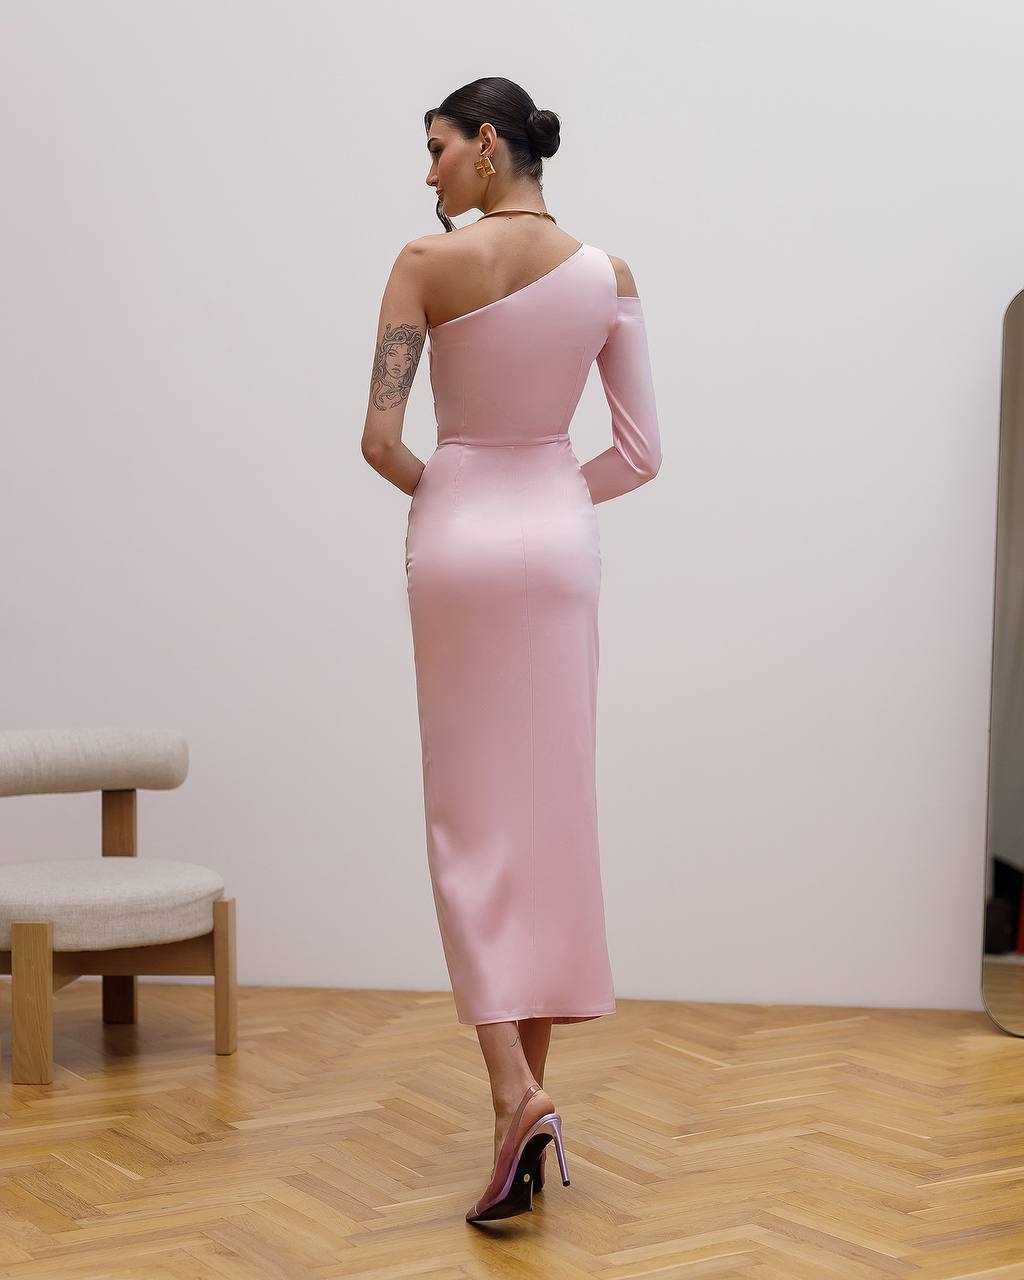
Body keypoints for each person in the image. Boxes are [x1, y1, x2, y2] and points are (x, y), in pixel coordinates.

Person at [361, 76, 662, 1223]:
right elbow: (637, 453)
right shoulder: (609, 277)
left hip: (459, 547)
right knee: (545, 817)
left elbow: (380, 437)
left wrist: (464, 501)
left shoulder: (423, 264)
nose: (429, 172)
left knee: (465, 821)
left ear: (488, 147)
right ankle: (522, 1107)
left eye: (436, 147)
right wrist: (547, 501)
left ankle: (509, 1087)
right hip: (557, 550)